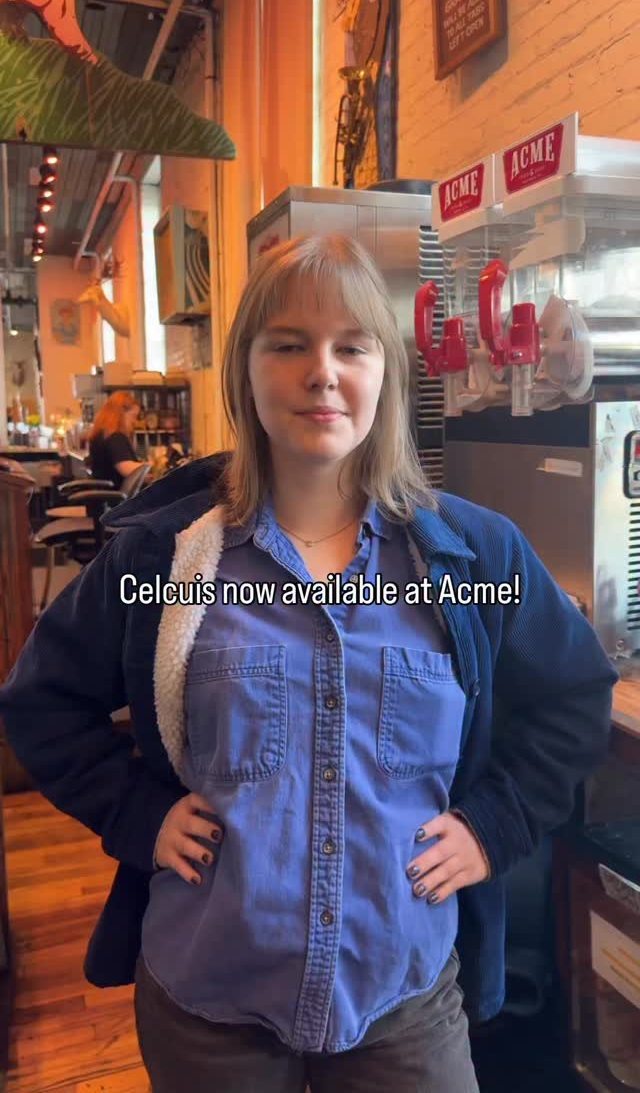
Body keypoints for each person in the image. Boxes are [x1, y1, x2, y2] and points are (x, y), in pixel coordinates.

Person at [0, 235, 617, 1093]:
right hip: (210, 999)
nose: (321, 373)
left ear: (385, 375)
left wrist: (494, 826)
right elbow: (41, 703)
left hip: (403, 996)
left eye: (351, 348)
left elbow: (576, 696)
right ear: (245, 372)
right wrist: (137, 814)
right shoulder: (163, 560)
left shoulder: (473, 557)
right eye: (289, 344)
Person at [87, 390, 145, 489]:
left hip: (103, 494)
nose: (135, 422)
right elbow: (127, 469)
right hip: (113, 496)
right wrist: (152, 466)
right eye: (133, 416)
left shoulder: (103, 433)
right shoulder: (115, 437)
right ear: (121, 414)